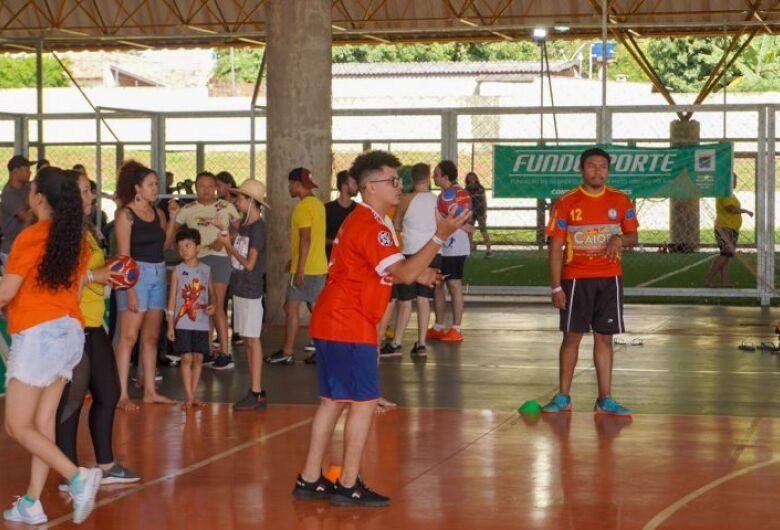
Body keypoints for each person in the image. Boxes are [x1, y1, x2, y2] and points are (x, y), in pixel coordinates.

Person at [293, 150, 469, 507]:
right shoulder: (372, 224)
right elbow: (400, 273)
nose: (398, 186)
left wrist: (419, 270)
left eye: (398, 180)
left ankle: (310, 478)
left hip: (333, 319)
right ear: (369, 187)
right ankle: (347, 482)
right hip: (348, 322)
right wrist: (439, 236)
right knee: (364, 401)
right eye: (391, 180)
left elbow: (385, 267)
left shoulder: (367, 220)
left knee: (332, 401)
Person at [1, 166, 103, 525]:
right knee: (42, 423)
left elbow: (6, 293)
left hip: (40, 336)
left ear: (39, 197)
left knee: (17, 426)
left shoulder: (30, 238)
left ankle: (78, 476)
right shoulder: (73, 240)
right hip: (69, 334)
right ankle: (31, 501)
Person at [55, 170, 140, 494]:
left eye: (91, 190)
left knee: (109, 392)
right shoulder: (64, 236)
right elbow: (65, 285)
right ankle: (68, 472)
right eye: (86, 191)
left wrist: (115, 271)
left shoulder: (88, 231)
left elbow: (95, 273)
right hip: (72, 326)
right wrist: (97, 276)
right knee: (71, 401)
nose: (91, 196)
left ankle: (105, 465)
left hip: (92, 325)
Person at [543, 147, 639, 416]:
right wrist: (556, 286)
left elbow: (633, 237)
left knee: (604, 338)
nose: (597, 171)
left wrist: (619, 238)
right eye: (591, 166)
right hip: (576, 280)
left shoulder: (620, 201)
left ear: (609, 170)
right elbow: (556, 247)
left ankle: (605, 399)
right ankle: (564, 397)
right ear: (581, 170)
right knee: (572, 337)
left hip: (609, 279)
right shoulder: (567, 202)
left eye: (602, 167)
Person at [114, 161, 179, 410]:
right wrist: (129, 291)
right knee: (129, 337)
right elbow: (124, 257)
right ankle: (121, 395)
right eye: (151, 185)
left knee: (151, 337)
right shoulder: (125, 215)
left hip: (158, 272)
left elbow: (164, 244)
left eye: (156, 184)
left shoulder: (157, 213)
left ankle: (150, 390)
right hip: (136, 276)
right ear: (137, 188)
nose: (156, 189)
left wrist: (173, 219)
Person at [174, 171, 240, 369]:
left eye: (210, 185)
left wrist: (224, 239)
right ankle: (208, 350)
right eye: (201, 185)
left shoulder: (227, 207)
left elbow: (238, 228)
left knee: (217, 304)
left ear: (217, 187)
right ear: (195, 187)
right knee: (202, 305)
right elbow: (177, 231)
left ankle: (225, 353)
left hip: (220, 260)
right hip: (196, 262)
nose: (206, 189)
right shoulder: (187, 209)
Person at [265, 167, 327, 365]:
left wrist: (299, 269)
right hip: (318, 266)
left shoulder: (301, 208)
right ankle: (321, 350)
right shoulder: (318, 204)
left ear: (296, 185)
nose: (289, 187)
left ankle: (288, 352)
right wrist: (296, 261)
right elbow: (317, 238)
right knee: (312, 309)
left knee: (292, 308)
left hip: (306, 269)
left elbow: (306, 239)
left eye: (290, 184)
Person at [217, 179, 270, 411]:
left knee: (252, 340)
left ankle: (257, 391)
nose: (237, 201)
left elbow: (250, 264)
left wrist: (228, 246)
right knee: (248, 341)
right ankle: (254, 389)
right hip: (241, 288)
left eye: (240, 198)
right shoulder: (247, 227)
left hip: (250, 290)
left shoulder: (257, 229)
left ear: (251, 201)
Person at [381, 162, 439, 358]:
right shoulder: (437, 200)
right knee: (424, 299)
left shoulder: (405, 199)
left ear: (412, 179)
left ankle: (397, 342)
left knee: (405, 300)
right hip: (432, 253)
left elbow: (397, 224)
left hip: (410, 252)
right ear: (429, 178)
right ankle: (421, 343)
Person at [166, 228, 215, 409]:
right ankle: (189, 396)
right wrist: (170, 326)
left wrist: (214, 305)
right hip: (183, 322)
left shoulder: (206, 270)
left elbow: (212, 293)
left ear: (198, 248)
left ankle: (193, 394)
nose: (184, 250)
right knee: (186, 358)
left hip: (201, 322)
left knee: (199, 358)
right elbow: (171, 301)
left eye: (188, 245)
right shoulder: (177, 271)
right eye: (180, 247)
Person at [427, 160, 472, 343]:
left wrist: (464, 225)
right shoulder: (443, 196)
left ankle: (456, 328)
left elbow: (467, 222)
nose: (433, 177)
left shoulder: (460, 195)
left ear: (445, 177)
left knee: (454, 286)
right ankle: (439, 326)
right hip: (441, 246)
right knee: (438, 285)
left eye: (436, 174)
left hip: (455, 246)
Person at [706, 173, 753, 288]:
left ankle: (725, 281)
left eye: (736, 179)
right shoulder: (725, 193)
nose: (735, 182)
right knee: (725, 254)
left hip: (730, 228)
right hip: (725, 228)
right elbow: (731, 209)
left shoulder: (729, 194)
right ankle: (709, 277)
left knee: (726, 255)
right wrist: (745, 211)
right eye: (733, 180)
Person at [1, 155, 34, 266]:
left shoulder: (26, 188)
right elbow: (26, 217)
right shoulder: (9, 193)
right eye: (26, 170)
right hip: (12, 249)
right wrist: (38, 204)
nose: (30, 173)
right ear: (15, 171)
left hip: (25, 246)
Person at [324, 170, 358, 260]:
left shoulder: (359, 210)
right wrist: (335, 241)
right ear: (344, 186)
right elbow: (319, 239)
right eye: (354, 183)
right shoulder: (327, 209)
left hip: (352, 261)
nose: (357, 187)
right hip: (331, 261)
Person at [465, 171, 491, 256]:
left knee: (483, 230)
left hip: (480, 212)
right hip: (471, 212)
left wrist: (484, 212)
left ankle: (488, 249)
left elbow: (484, 200)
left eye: (473, 178)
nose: (472, 179)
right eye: (470, 178)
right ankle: (469, 249)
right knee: (469, 231)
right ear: (467, 179)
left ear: (476, 179)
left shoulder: (480, 188)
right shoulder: (466, 189)